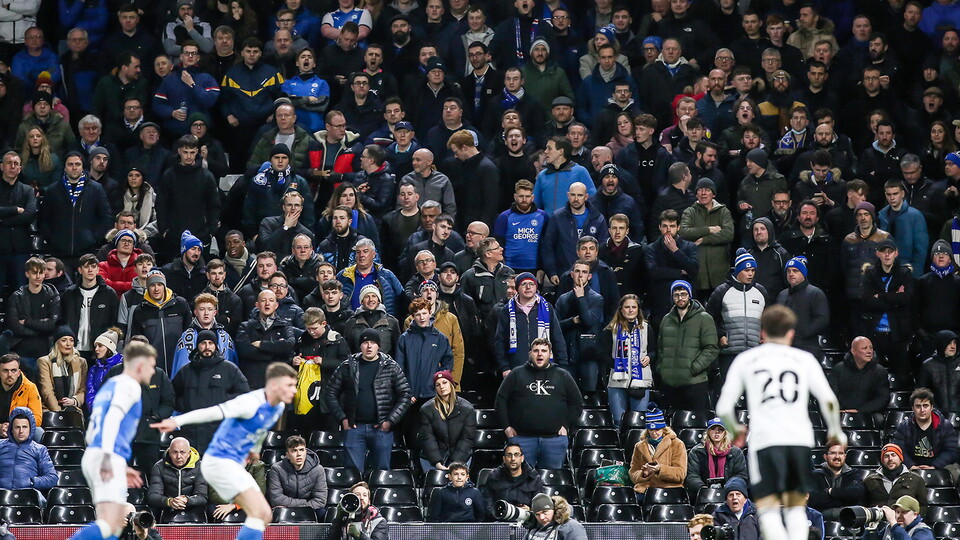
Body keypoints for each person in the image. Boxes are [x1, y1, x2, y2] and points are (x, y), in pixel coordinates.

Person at [717, 305, 845, 540]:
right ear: (791, 333)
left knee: (768, 510)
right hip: (798, 438)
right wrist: (836, 430)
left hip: (765, 439)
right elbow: (829, 400)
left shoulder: (747, 359)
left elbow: (723, 407)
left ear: (762, 332)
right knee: (796, 506)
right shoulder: (804, 359)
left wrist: (735, 428)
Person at [151, 362, 298, 540]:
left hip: (233, 464)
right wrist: (177, 421)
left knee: (264, 515)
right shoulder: (249, 403)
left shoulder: (279, 407)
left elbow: (260, 430)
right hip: (218, 463)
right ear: (274, 385)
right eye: (289, 385)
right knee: (259, 513)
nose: (294, 391)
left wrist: (255, 449)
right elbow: (212, 412)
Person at [67, 341, 156, 540]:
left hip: (94, 454)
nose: (153, 371)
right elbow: (113, 418)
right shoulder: (130, 386)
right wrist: (109, 458)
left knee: (111, 524)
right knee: (111, 523)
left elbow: (92, 431)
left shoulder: (109, 385)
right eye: (151, 365)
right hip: (107, 456)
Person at [324, 328, 411, 472]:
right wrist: (343, 418)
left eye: (372, 343)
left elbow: (405, 395)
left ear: (378, 345)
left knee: (381, 475)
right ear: (360, 346)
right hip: (354, 428)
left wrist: (390, 421)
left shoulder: (391, 366)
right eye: (365, 343)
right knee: (353, 475)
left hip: (382, 429)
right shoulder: (348, 366)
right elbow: (330, 392)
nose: (369, 346)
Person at [495, 338, 582, 469]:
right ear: (530, 353)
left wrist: (566, 424)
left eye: (544, 351)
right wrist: (506, 426)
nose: (540, 354)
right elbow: (500, 400)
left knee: (552, 484)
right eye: (536, 351)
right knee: (520, 483)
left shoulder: (563, 375)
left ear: (550, 354)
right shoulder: (516, 374)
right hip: (521, 440)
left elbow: (577, 403)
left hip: (554, 441)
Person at [171, 329, 249, 454]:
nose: (207, 347)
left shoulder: (229, 369)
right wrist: (186, 403)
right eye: (203, 343)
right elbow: (172, 395)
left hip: (218, 433)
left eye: (210, 343)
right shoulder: (186, 371)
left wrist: (222, 401)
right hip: (191, 434)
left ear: (216, 346)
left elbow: (244, 396)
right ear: (197, 346)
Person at [657, 280, 718, 413]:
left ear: (689, 295)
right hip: (670, 385)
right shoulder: (666, 319)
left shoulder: (704, 318)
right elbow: (661, 349)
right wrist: (662, 369)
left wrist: (694, 368)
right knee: (673, 429)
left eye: (683, 294)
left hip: (694, 383)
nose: (680, 298)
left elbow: (711, 348)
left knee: (695, 427)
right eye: (676, 295)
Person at [290, 308, 350, 433]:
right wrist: (294, 361)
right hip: (306, 398)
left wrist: (325, 362)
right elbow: (294, 358)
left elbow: (347, 365)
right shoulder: (303, 339)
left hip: (328, 398)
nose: (311, 332)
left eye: (314, 328)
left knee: (330, 435)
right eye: (308, 328)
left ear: (323, 323)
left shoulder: (336, 339)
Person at [494, 273, 566, 374]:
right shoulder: (507, 310)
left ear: (536, 287)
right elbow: (500, 341)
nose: (528, 287)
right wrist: (504, 367)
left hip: (545, 366)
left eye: (531, 284)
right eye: (524, 284)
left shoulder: (547, 308)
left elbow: (557, 337)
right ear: (518, 288)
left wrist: (562, 365)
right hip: (516, 367)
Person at [601, 293, 651, 426]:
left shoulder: (646, 328)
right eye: (627, 307)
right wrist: (618, 364)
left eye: (633, 307)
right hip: (617, 381)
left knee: (639, 422)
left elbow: (655, 350)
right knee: (618, 422)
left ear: (638, 309)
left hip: (640, 379)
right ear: (621, 309)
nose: (630, 310)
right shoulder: (611, 329)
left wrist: (649, 357)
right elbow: (602, 354)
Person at [7, 256, 60, 382]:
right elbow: (15, 327)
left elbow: (53, 324)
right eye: (34, 272)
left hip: (46, 351)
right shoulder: (17, 297)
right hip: (23, 351)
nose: (38, 276)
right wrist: (41, 329)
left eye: (41, 272)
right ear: (27, 274)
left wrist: (27, 322)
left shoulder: (52, 294)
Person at [129, 270, 192, 375]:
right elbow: (137, 341)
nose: (156, 289)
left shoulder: (180, 304)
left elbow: (189, 333)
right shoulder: (140, 310)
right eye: (152, 285)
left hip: (179, 364)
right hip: (153, 368)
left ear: (165, 286)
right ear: (148, 287)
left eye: (159, 284)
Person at [891, 388, 960, 480]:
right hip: (911, 468)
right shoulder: (904, 427)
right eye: (918, 406)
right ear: (913, 408)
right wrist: (911, 466)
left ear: (931, 407)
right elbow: (898, 450)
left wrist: (935, 466)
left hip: (940, 467)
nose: (922, 410)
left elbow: (952, 451)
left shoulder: (945, 425)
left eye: (925, 406)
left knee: (955, 470)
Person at [235, 290, 297, 390]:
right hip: (253, 383)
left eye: (271, 300)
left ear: (276, 305)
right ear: (257, 305)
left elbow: (289, 345)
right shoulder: (246, 326)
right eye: (263, 300)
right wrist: (277, 350)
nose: (267, 304)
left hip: (277, 384)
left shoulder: (284, 326)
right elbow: (244, 351)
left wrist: (261, 344)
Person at [418, 370, 476, 471]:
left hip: (460, 457)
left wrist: (455, 462)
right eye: (438, 385)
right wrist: (437, 462)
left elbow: (467, 438)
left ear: (451, 384)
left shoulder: (467, 408)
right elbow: (427, 437)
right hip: (432, 458)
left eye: (445, 383)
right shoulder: (426, 409)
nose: (441, 387)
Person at [629, 403, 688, 501]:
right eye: (651, 429)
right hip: (645, 490)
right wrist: (644, 474)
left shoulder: (677, 444)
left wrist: (660, 469)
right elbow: (633, 473)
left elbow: (680, 474)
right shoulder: (639, 446)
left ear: (663, 428)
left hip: (670, 489)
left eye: (657, 429)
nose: (654, 433)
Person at [775, 257, 830, 358]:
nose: (791, 274)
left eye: (795, 271)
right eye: (788, 271)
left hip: (807, 348)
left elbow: (822, 319)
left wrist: (801, 333)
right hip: (784, 348)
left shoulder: (816, 293)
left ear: (803, 273)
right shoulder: (782, 295)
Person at [267, 434, 328, 521]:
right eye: (294, 451)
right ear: (287, 455)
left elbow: (320, 500)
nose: (299, 454)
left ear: (306, 452)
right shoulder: (277, 469)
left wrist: (301, 507)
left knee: (322, 513)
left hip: (310, 510)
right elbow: (277, 499)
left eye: (301, 450)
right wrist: (304, 503)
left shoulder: (318, 470)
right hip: (285, 510)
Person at [827, 337, 890, 419]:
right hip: (841, 411)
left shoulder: (880, 371)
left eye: (871, 348)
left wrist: (860, 411)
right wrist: (840, 410)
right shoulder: (838, 369)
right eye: (864, 348)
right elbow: (830, 394)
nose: (869, 351)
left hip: (868, 413)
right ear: (853, 351)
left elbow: (882, 398)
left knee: (879, 419)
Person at [685, 418, 748, 499]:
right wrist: (704, 488)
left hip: (730, 493)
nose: (716, 432)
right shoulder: (697, 452)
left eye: (720, 430)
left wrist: (729, 487)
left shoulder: (736, 452)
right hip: (704, 495)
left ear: (725, 433)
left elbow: (741, 475)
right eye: (713, 429)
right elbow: (692, 475)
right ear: (708, 432)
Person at [479, 443, 546, 518]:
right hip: (500, 520)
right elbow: (488, 503)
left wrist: (530, 511)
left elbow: (540, 506)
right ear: (504, 459)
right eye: (509, 455)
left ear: (522, 458)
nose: (513, 458)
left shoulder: (534, 478)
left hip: (526, 521)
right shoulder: (494, 476)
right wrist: (497, 513)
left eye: (516, 454)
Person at [146, 436, 208, 517]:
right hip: (166, 508)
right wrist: (169, 501)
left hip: (193, 507)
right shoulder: (159, 466)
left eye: (182, 452)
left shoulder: (200, 467)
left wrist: (187, 500)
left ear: (189, 453)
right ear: (169, 452)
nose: (178, 456)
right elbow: (153, 496)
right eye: (174, 452)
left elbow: (202, 497)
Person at [0, 406, 56, 492]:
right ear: (11, 429)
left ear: (31, 429)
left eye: (24, 427)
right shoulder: (1, 445)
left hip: (29, 496)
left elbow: (52, 478)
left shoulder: (40, 449)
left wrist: (32, 482)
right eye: (17, 427)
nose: (21, 431)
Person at [808, 443, 866, 521]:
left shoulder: (854, 474)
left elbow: (857, 494)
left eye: (841, 453)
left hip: (850, 521)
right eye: (833, 453)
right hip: (822, 522)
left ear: (845, 456)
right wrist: (846, 499)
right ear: (825, 457)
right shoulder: (815, 475)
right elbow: (813, 500)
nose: (837, 457)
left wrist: (832, 492)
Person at [37, 326, 88, 412]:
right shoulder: (44, 361)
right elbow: (47, 391)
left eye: (71, 340)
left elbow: (83, 389)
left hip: (74, 409)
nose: (68, 344)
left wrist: (74, 401)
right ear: (57, 343)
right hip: (51, 410)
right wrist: (59, 412)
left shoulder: (81, 362)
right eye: (64, 340)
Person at [863, 443, 927, 511]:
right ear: (882, 460)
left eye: (893, 455)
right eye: (886, 456)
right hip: (879, 520)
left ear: (900, 458)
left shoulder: (916, 479)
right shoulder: (870, 480)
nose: (890, 459)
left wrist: (912, 518)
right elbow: (864, 506)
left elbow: (923, 506)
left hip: (904, 521)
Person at [918, 331, 960, 413]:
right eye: (949, 343)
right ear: (941, 344)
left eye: (954, 343)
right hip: (936, 416)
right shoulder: (928, 366)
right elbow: (921, 393)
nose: (953, 346)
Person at [0, 354, 41, 434]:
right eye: (5, 370)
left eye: (13, 370)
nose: (9, 375)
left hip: (19, 431)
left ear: (19, 372)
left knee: (38, 432)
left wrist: (14, 426)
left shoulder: (30, 388)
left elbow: (37, 419)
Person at [85, 329, 124, 414]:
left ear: (110, 348)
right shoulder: (93, 369)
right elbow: (90, 393)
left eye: (100, 346)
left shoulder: (123, 366)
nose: (96, 349)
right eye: (95, 346)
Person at [861, 496, 934, 540]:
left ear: (915, 515)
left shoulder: (923, 531)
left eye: (904, 512)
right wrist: (871, 529)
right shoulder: (890, 528)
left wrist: (894, 523)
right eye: (897, 512)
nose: (899, 516)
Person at [521, 494, 586, 540]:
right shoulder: (533, 529)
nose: (542, 517)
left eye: (545, 512)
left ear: (554, 510)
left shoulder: (571, 526)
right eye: (537, 514)